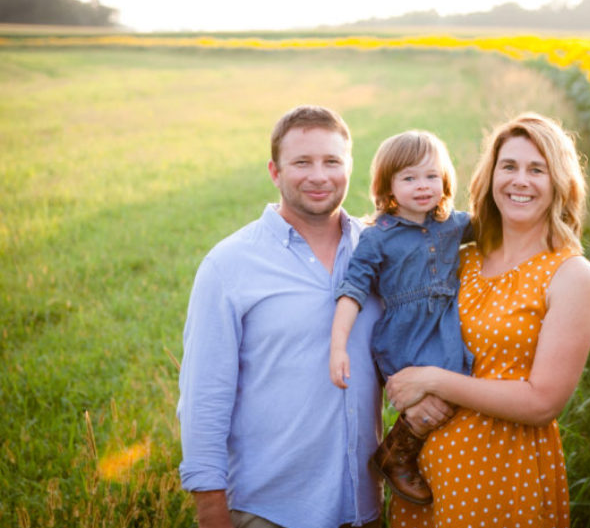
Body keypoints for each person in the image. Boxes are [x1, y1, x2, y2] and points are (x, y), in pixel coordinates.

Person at [178, 105, 450, 528]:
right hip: (268, 510)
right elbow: (203, 402)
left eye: (332, 162)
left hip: (362, 508)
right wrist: (212, 511)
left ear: (349, 167)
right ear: (274, 171)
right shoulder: (229, 265)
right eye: (302, 162)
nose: (319, 176)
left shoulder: (382, 251)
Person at [384, 112, 590, 528]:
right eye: (510, 166)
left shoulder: (570, 274)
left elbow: (542, 403)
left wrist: (432, 380)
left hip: (503, 473)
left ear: (559, 183)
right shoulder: (458, 259)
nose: (521, 180)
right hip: (423, 474)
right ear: (491, 176)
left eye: (537, 169)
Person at [329, 130, 473, 506]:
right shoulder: (379, 238)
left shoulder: (453, 224)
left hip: (441, 330)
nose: (422, 186)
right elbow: (352, 292)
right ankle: (397, 454)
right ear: (388, 186)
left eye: (431, 176)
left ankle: (404, 454)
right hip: (406, 336)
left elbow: (501, 224)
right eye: (409, 178)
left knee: (459, 389)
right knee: (435, 398)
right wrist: (338, 346)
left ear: (444, 180)